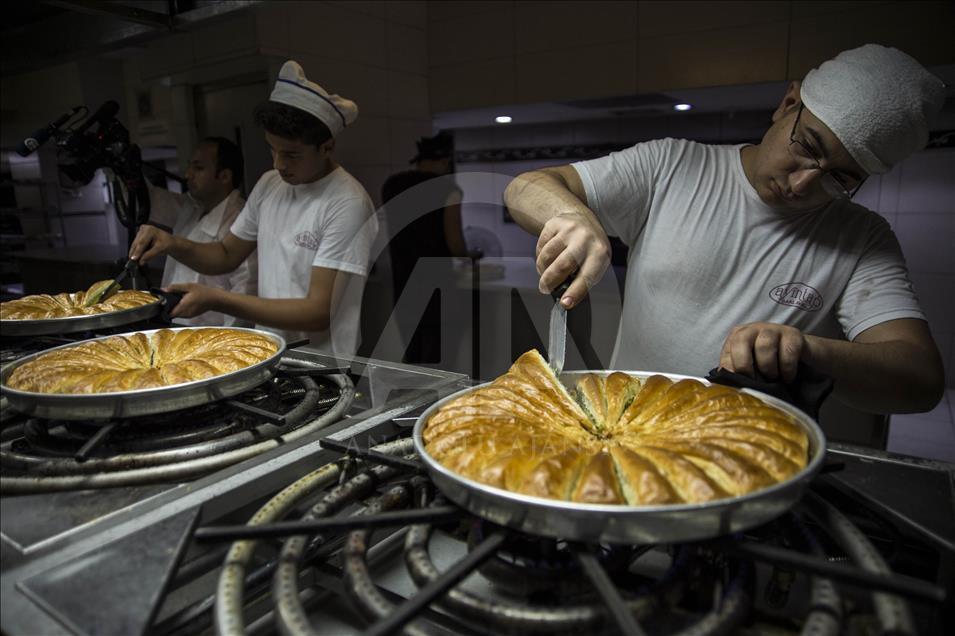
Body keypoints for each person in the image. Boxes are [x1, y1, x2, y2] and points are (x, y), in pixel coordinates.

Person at [503, 43, 946, 420]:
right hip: (629, 427)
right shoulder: (672, 168)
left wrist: (806, 350)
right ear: (789, 103)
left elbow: (921, 381)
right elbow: (526, 187)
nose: (802, 184)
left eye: (841, 178)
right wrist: (577, 219)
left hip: (747, 455)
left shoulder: (863, 238)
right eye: (808, 146)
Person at [129, 61, 378, 358]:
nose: (278, 164)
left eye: (292, 155)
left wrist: (218, 299)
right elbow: (225, 255)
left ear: (327, 147)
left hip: (325, 364)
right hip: (273, 353)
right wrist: (171, 243)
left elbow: (317, 311)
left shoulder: (347, 203)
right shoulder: (270, 184)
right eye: (272, 149)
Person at [381, 132, 478, 363]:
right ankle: (439, 399)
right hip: (438, 286)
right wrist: (470, 255)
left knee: (413, 356)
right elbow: (455, 243)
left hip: (403, 283)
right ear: (444, 161)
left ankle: (414, 398)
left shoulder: (391, 185)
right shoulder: (448, 189)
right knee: (441, 359)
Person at [146, 137, 256, 327]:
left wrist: (228, 347)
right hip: (177, 329)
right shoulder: (191, 209)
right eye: (189, 166)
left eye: (198, 168)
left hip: (213, 339)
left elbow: (246, 293)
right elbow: (150, 200)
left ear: (224, 176)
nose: (188, 174)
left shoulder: (240, 222)